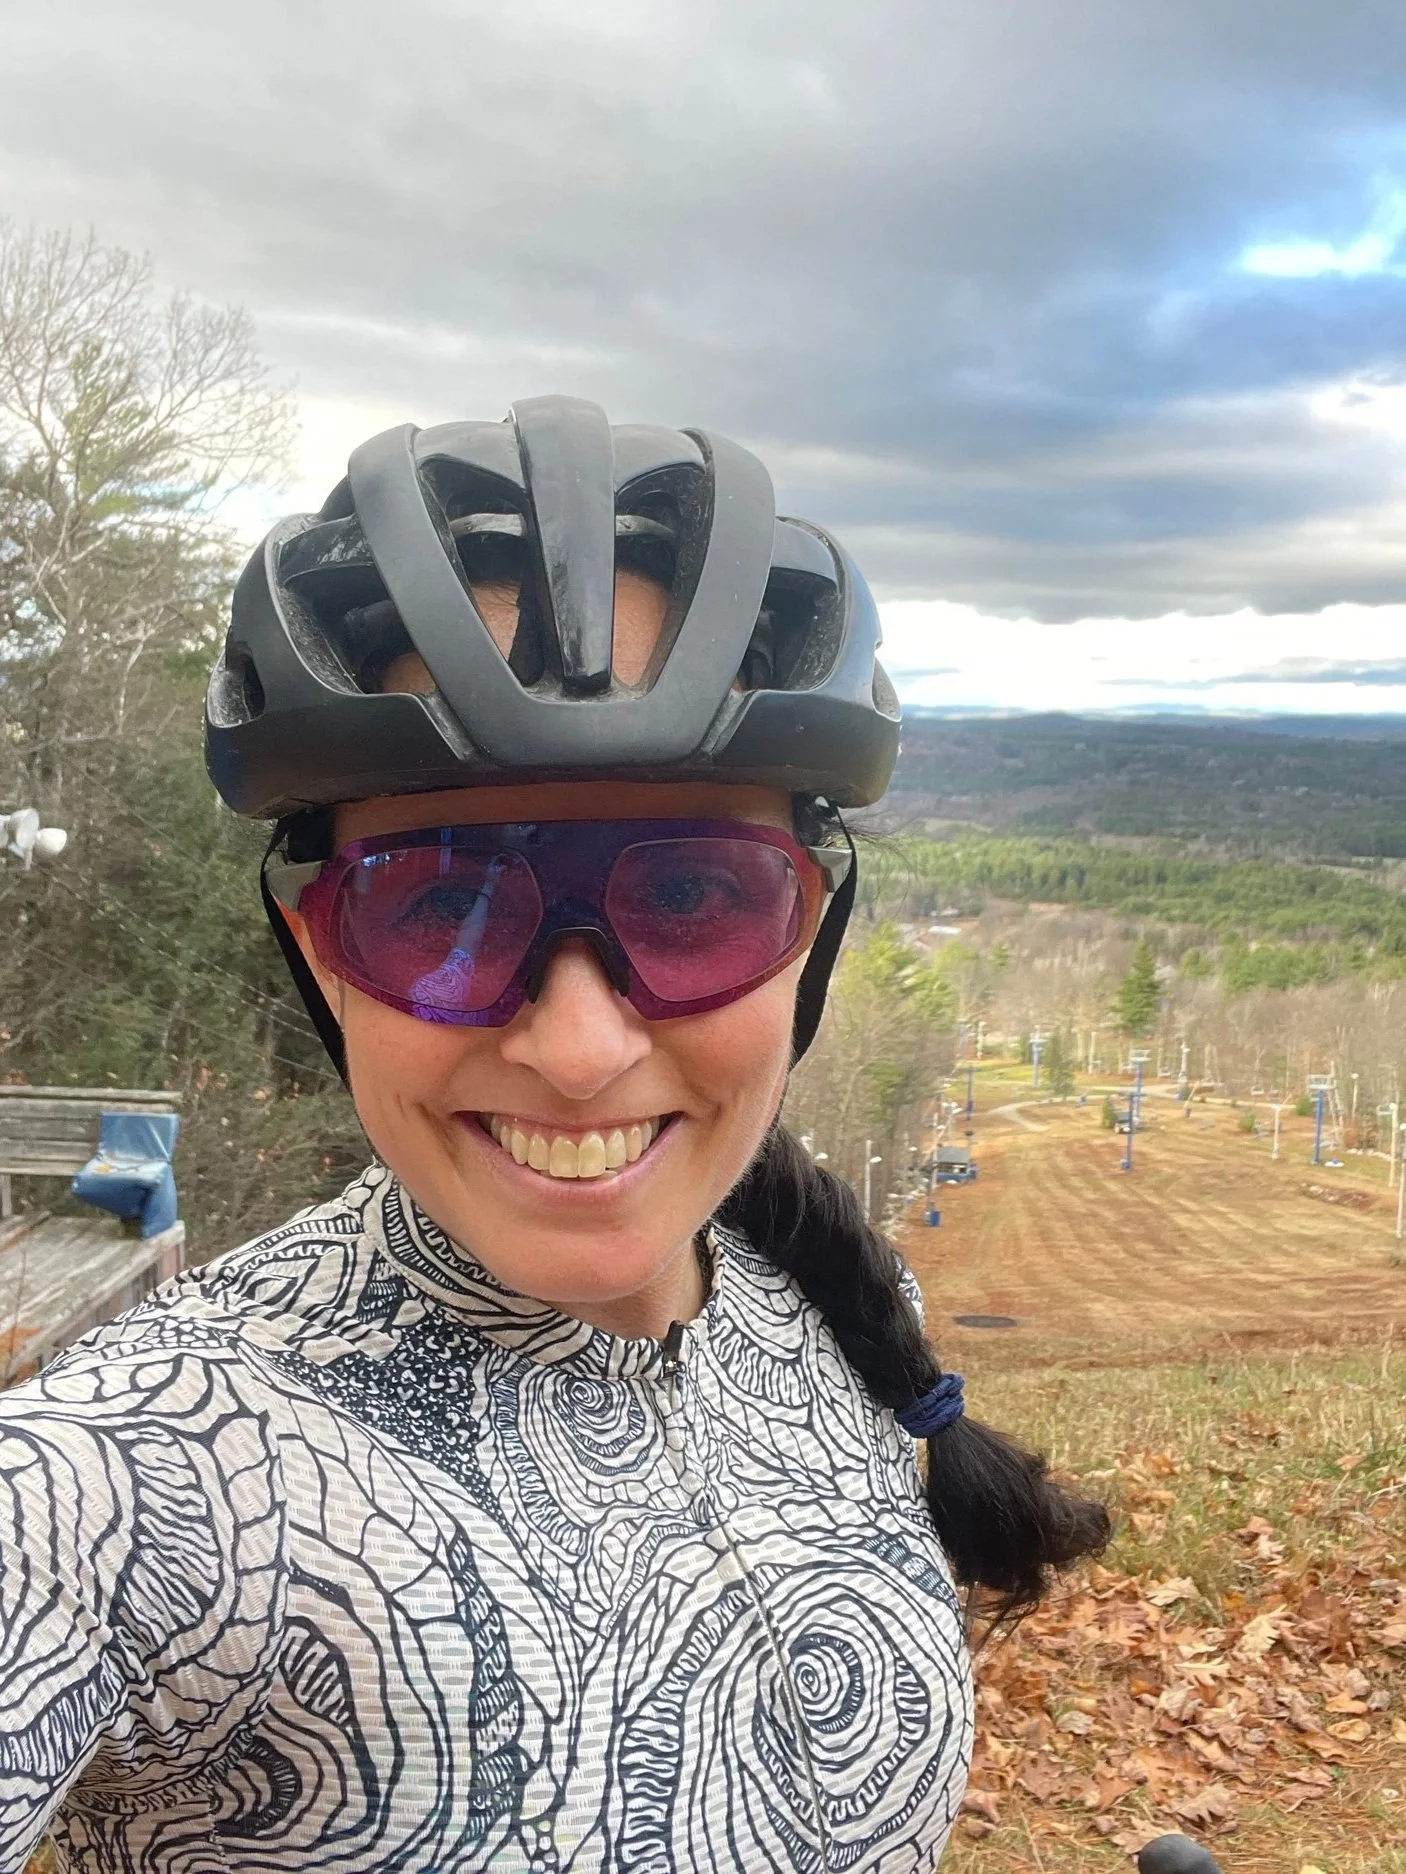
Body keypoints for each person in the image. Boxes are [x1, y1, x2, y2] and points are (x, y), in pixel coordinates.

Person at [0, 398, 1108, 1872]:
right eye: (442, 905)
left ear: (811, 935)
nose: (579, 1049)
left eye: (696, 898)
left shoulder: (843, 1308)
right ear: (316, 948)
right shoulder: (117, 1481)